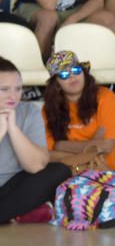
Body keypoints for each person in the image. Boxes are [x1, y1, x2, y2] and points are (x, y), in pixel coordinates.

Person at [0, 56, 71, 225]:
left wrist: (13, 128)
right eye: (4, 89)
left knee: (60, 171)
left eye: (18, 89)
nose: (13, 96)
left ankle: (7, 212)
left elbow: (36, 166)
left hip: (12, 188)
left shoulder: (28, 111)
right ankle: (14, 212)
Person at [41, 51, 115, 169]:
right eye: (63, 74)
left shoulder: (105, 97)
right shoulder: (48, 108)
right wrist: (92, 147)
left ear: (84, 72)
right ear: (56, 84)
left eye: (75, 70)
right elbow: (45, 154)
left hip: (103, 173)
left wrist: (60, 145)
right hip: (67, 174)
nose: (72, 76)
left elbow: (106, 146)